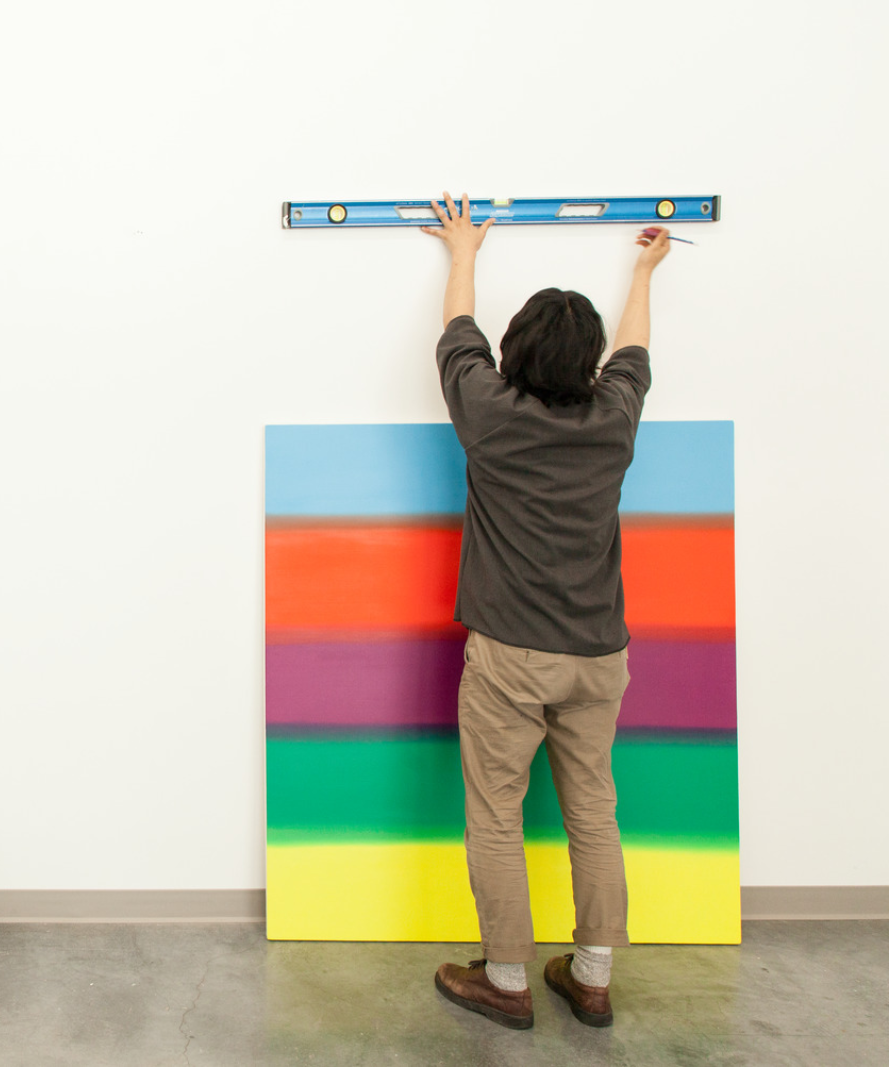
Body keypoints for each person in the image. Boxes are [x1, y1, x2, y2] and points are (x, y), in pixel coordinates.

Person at [419, 193, 672, 1030]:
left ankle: (507, 980)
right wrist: (644, 269)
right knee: (592, 810)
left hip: (510, 657)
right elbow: (635, 347)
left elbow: (458, 335)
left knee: (496, 814)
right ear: (589, 364)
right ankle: (591, 975)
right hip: (600, 655)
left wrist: (465, 250)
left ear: (515, 352)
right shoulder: (615, 420)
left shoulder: (490, 416)